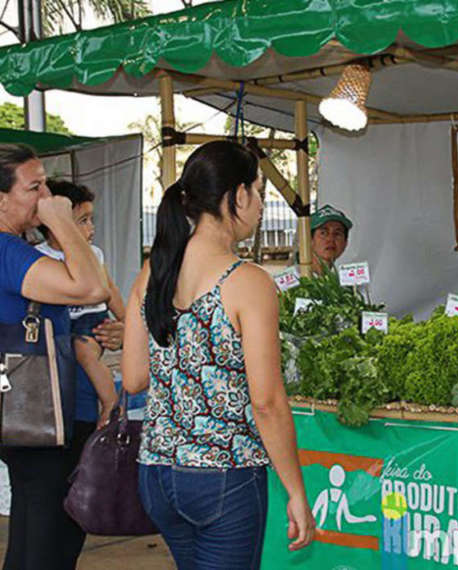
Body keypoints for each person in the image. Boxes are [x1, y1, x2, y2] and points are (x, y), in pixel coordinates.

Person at [122, 141, 315, 569]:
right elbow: (266, 402)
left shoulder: (154, 271)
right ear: (237, 196)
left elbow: (133, 378)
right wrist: (296, 490)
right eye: (260, 191)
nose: (262, 204)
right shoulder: (248, 282)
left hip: (156, 473)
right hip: (223, 478)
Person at [0, 143, 111, 570]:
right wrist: (62, 223)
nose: (46, 197)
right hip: (37, 411)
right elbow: (92, 287)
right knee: (49, 539)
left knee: (31, 530)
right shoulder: (5, 250)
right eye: (34, 187)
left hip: (22, 411)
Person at [36, 180, 125, 429]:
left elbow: (109, 290)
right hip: (62, 325)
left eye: (90, 220)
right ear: (54, 225)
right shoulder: (39, 256)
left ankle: (109, 401)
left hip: (90, 318)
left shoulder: (93, 254)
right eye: (83, 221)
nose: (91, 228)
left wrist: (125, 321)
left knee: (84, 351)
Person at [309, 204, 352, 274]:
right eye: (323, 233)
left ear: (345, 243)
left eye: (337, 234)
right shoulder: (296, 279)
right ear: (310, 240)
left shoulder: (341, 280)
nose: (330, 239)